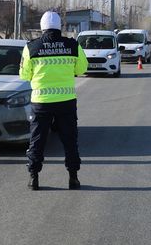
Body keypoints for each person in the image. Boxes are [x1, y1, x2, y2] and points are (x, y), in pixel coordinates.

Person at [19, 10, 88, 190]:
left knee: (37, 140)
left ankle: (34, 178)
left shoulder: (31, 47)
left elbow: (24, 75)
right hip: (66, 101)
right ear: (60, 26)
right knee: (69, 140)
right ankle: (73, 178)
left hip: (41, 102)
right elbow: (82, 68)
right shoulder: (72, 45)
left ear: (42, 28)